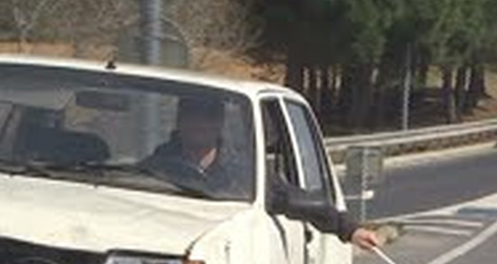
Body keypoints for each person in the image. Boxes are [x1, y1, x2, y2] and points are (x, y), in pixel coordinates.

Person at [142, 95, 381, 251]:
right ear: (179, 121)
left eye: (209, 117)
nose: (200, 124)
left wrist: (350, 230)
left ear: (219, 123)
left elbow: (297, 200)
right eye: (192, 116)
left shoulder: (246, 173)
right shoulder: (153, 169)